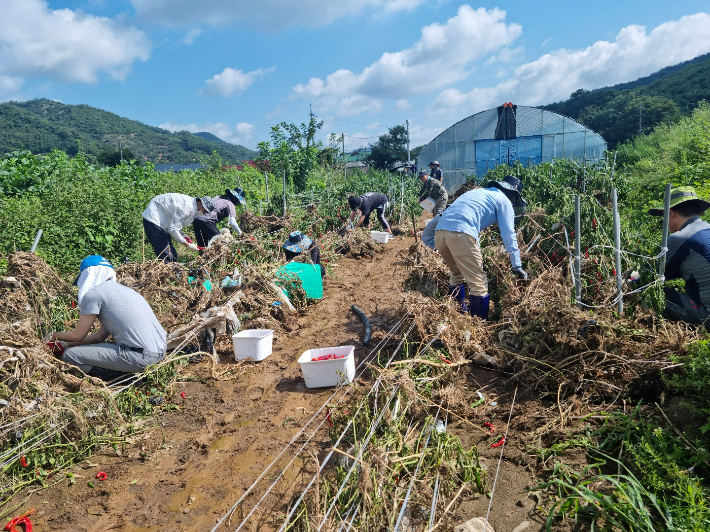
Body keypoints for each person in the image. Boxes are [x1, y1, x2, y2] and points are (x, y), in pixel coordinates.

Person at [45, 255, 167, 379]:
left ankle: (121, 379)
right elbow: (99, 337)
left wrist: (52, 335)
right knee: (77, 350)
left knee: (70, 356)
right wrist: (65, 344)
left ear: (88, 275)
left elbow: (77, 336)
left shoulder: (94, 295)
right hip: (160, 351)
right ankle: (126, 370)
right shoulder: (125, 291)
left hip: (140, 356)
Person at [434, 175, 528, 318]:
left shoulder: (479, 193)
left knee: (457, 274)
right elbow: (509, 234)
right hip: (461, 232)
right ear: (512, 194)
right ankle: (478, 325)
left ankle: (458, 316)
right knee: (478, 282)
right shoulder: (504, 201)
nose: (513, 202)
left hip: (440, 232)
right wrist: (517, 265)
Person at [648, 186, 710, 326]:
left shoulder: (681, 238)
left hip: (706, 316)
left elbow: (650, 275)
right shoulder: (706, 230)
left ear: (671, 214)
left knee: (646, 290)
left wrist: (628, 279)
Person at [142, 193, 214, 262]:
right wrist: (187, 245)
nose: (204, 213)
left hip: (162, 222)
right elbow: (173, 229)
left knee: (172, 254)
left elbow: (175, 224)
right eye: (205, 211)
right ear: (200, 203)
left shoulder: (191, 206)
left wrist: (183, 235)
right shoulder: (187, 207)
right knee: (166, 254)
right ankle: (171, 272)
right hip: (153, 219)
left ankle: (174, 271)